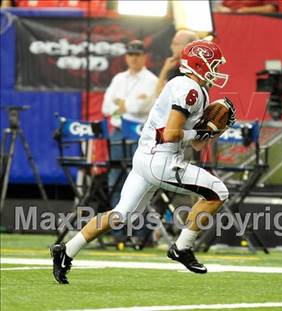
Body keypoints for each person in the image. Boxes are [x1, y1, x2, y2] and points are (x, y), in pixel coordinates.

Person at [50, 40, 236, 284]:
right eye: (213, 64)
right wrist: (198, 133)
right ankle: (182, 247)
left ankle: (66, 251)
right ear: (199, 64)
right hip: (161, 160)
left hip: (145, 159)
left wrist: (213, 131)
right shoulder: (189, 89)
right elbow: (171, 133)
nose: (216, 70)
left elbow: (197, 144)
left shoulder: (191, 87)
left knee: (120, 214)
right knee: (218, 192)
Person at [102, 39, 158, 220]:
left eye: (137, 55)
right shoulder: (119, 78)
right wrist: (129, 104)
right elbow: (105, 107)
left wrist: (121, 103)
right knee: (115, 179)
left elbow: (139, 109)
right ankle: (117, 226)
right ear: (126, 57)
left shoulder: (151, 80)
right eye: (131, 55)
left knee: (140, 182)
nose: (134, 59)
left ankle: (138, 230)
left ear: (144, 57)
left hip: (139, 135)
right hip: (118, 132)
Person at [155, 29, 198, 95]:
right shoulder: (176, 71)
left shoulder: (194, 72)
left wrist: (165, 70)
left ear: (188, 46)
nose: (171, 47)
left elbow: (162, 94)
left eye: (175, 44)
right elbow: (159, 94)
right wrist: (165, 70)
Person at [213, 0, 277, 14]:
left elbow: (271, 8)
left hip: (255, 24)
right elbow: (219, 7)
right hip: (230, 23)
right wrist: (222, 8)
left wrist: (247, 10)